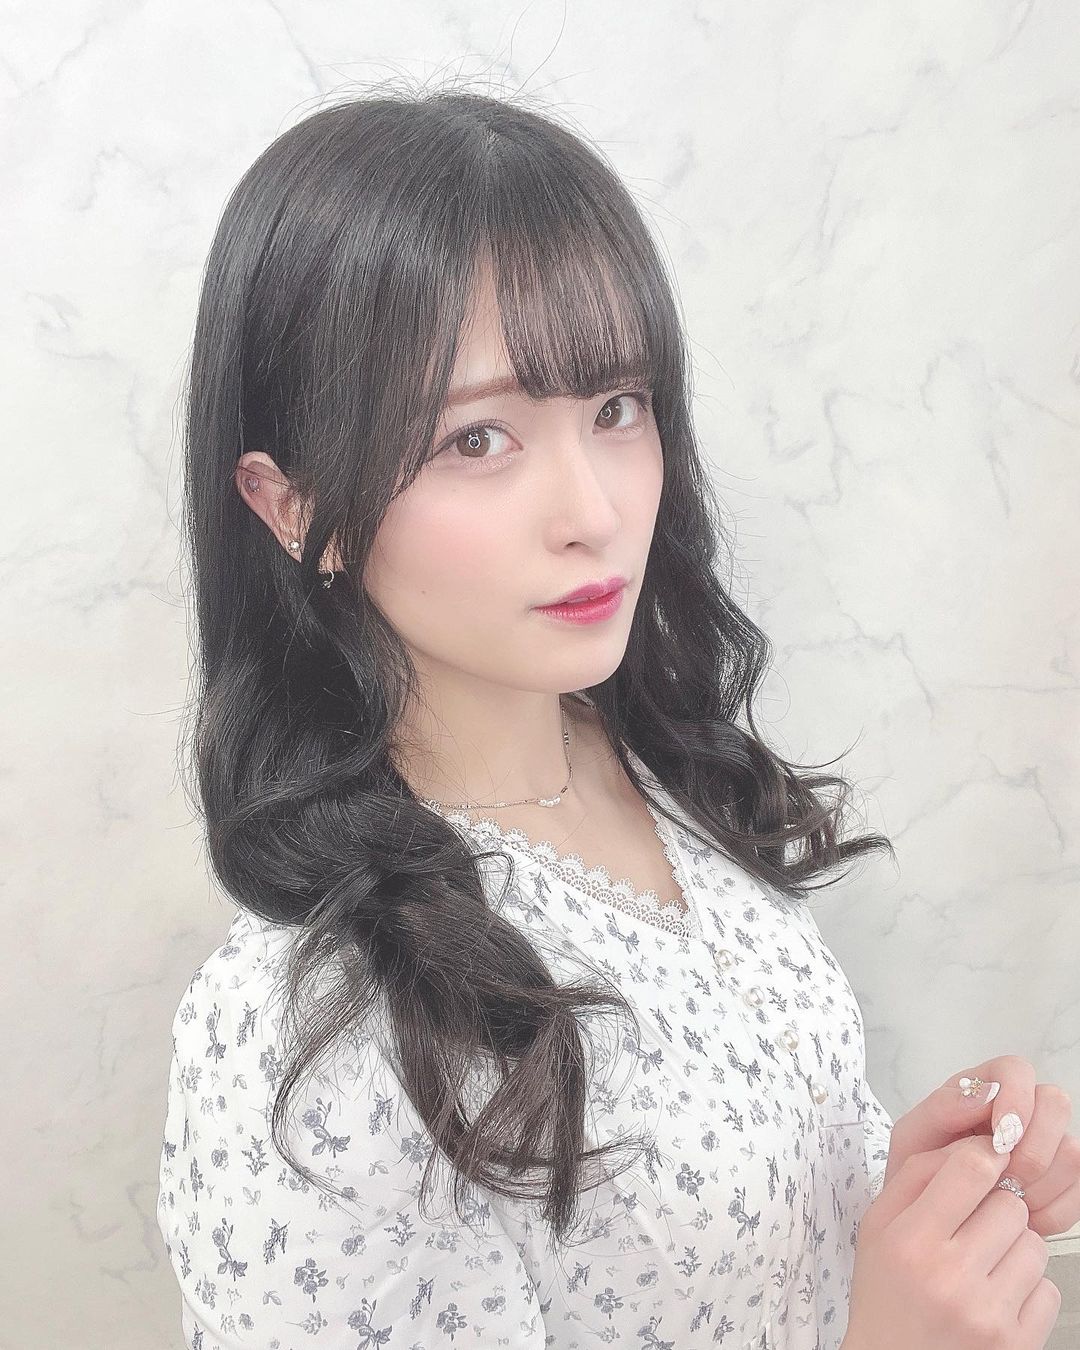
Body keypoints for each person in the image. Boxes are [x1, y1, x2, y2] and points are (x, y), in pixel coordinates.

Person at [156, 84, 900, 1350]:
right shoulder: (306, 1036)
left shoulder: (667, 770)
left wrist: (920, 1202)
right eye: (478, 440)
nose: (594, 512)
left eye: (616, 409)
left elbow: (776, 1203)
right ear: (291, 508)